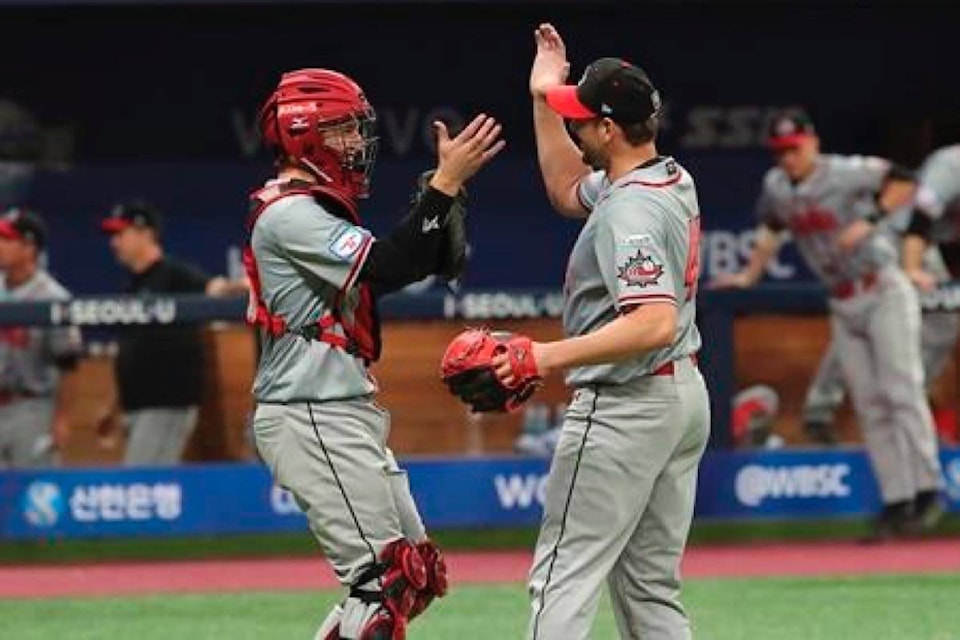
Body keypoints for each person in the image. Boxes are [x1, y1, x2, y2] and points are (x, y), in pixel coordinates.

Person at [246, 68, 503, 639]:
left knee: (414, 575)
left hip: (337, 409)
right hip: (310, 411)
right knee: (383, 580)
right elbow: (389, 264)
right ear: (300, 134)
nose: (356, 144)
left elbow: (408, 263)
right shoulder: (290, 213)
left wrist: (448, 191)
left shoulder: (310, 209)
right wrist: (442, 185)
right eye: (340, 131)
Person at [513, 24, 710, 639]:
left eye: (580, 120)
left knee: (563, 574)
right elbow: (565, 188)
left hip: (628, 404)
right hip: (679, 397)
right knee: (650, 589)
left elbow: (653, 321)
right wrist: (544, 97)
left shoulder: (631, 207)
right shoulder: (667, 177)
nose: (573, 127)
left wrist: (544, 354)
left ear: (608, 129)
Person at [711, 109, 945, 540]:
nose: (788, 157)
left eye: (795, 148)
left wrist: (872, 218)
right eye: (781, 151)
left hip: (882, 289)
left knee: (901, 389)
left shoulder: (845, 172)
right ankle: (898, 501)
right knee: (870, 403)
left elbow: (905, 178)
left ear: (812, 142)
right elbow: (772, 227)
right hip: (842, 301)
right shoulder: (777, 186)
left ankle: (928, 490)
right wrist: (749, 275)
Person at [95, 201, 247, 466]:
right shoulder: (134, 284)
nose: (114, 242)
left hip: (167, 400)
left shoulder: (173, 273)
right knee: (145, 484)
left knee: (140, 481)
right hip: (138, 404)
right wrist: (113, 405)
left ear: (145, 234)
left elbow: (217, 290)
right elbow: (131, 348)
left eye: (121, 233)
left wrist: (247, 285)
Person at [800, 207, 960, 445]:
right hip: (898, 241)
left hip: (934, 255)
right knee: (859, 320)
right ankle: (820, 410)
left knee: (944, 325)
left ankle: (911, 404)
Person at [0, 207, 82, 468]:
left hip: (32, 407)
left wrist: (62, 418)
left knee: (33, 494)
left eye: (6, 239)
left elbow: (69, 365)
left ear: (29, 248)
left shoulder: (54, 297)